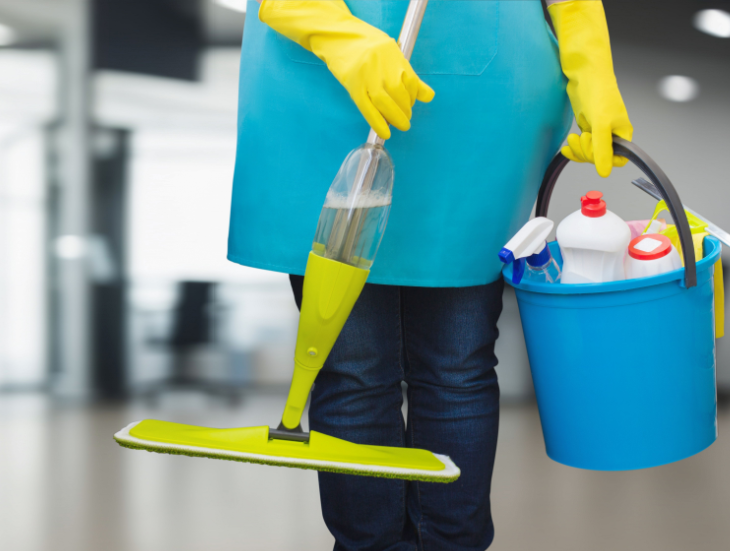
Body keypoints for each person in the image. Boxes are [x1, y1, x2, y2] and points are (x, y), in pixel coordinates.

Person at [227, 1, 633, 549]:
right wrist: (338, 33)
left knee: (454, 367)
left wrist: (593, 70)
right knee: (354, 369)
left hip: (479, 106)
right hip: (321, 90)